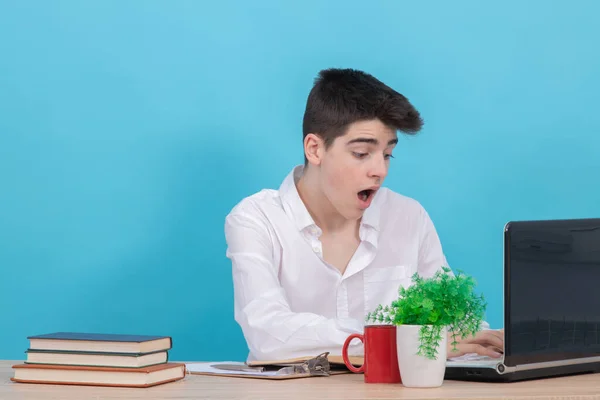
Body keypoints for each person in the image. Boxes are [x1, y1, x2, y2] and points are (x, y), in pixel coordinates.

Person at [224, 68, 504, 362]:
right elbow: (268, 334)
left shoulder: (408, 217)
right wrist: (404, 341)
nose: (380, 171)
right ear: (315, 149)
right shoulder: (257, 220)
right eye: (361, 153)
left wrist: (486, 345)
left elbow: (454, 333)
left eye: (387, 155)